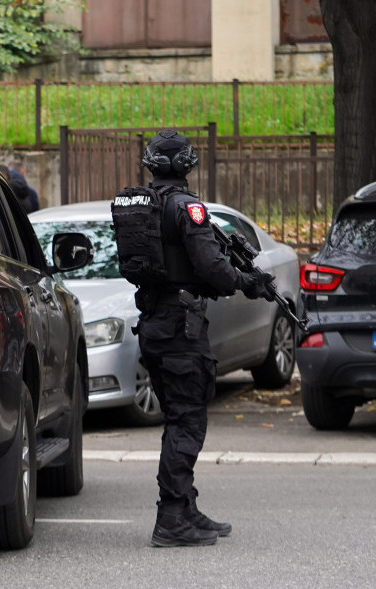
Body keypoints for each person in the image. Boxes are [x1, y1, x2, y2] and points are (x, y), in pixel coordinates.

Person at [131, 130, 272, 548]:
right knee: (187, 420)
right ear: (186, 165)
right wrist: (248, 282)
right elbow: (212, 268)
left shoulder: (145, 206)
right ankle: (172, 519)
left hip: (154, 323)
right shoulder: (186, 208)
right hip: (179, 330)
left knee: (178, 419)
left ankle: (184, 507)